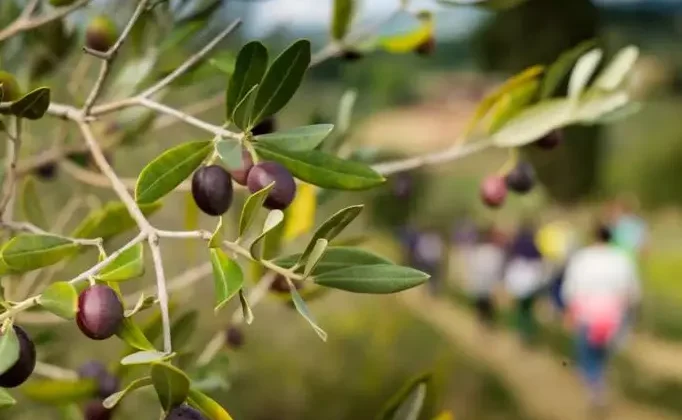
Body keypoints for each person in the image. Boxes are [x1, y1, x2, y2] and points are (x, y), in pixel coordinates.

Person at [561, 224, 641, 413]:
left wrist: (569, 310)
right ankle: (599, 382)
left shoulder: (582, 258)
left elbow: (570, 288)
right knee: (603, 353)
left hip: (587, 314)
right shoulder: (622, 259)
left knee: (588, 353)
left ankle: (595, 389)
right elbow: (632, 289)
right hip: (614, 314)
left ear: (593, 236)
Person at [504, 221, 546, 346]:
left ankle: (522, 332)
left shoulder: (516, 244)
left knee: (521, 309)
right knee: (528, 310)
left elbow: (510, 259)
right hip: (531, 282)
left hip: (519, 281)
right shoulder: (535, 245)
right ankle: (526, 333)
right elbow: (540, 262)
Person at [462, 225, 506, 329]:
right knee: (487, 305)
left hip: (481, 283)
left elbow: (472, 265)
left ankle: (481, 324)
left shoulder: (478, 250)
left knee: (481, 305)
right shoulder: (496, 252)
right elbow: (499, 269)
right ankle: (486, 324)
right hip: (488, 284)